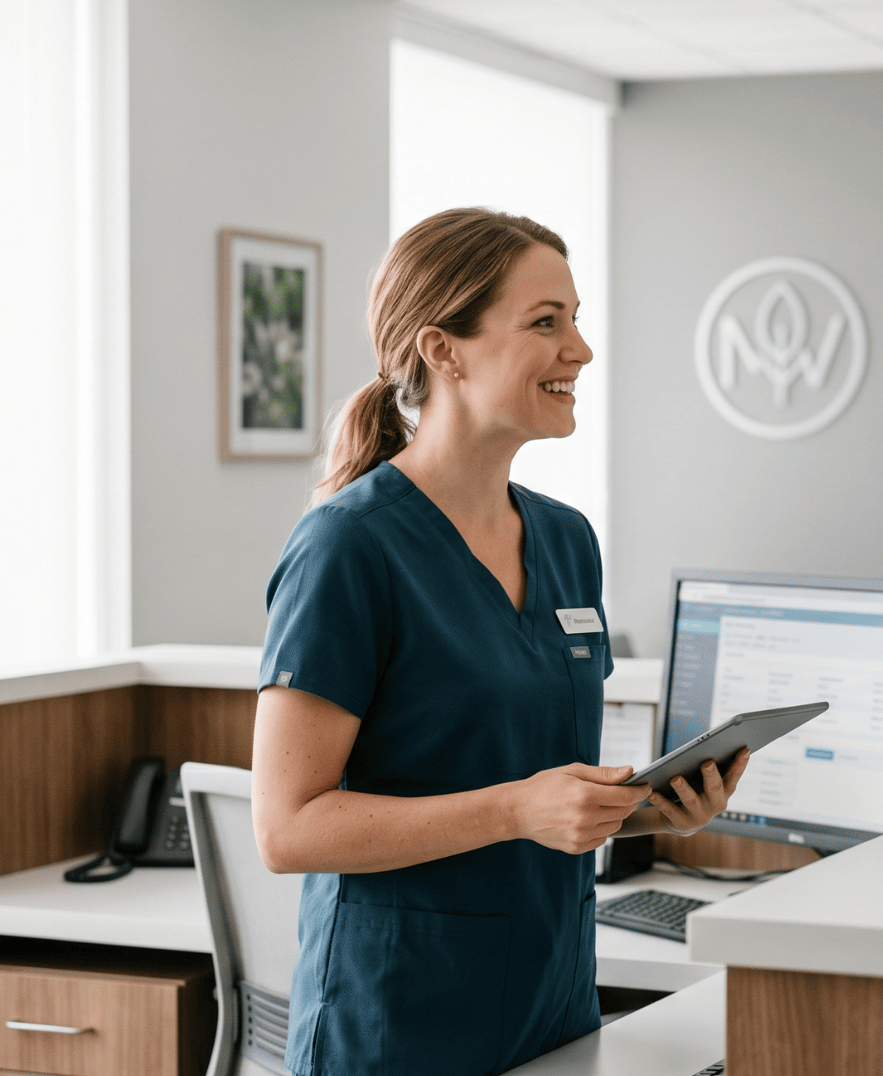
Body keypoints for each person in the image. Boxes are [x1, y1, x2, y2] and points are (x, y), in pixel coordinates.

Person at [250, 208, 749, 1076]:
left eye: (577, 319)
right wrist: (516, 809)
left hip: (553, 996)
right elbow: (288, 828)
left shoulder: (566, 540)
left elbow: (531, 774)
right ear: (444, 350)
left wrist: (650, 807)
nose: (581, 350)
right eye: (546, 323)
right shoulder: (349, 547)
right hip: (399, 1019)